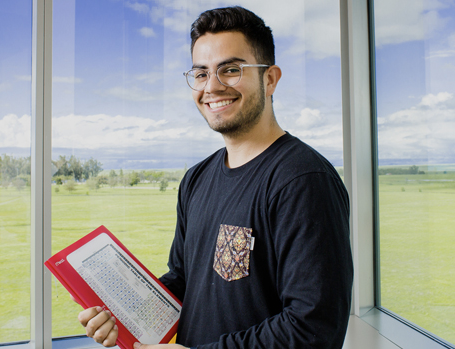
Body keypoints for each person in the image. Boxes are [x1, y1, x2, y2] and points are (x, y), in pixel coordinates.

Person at [78, 6, 353, 348]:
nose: (213, 86)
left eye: (231, 70)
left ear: (270, 79)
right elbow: (184, 281)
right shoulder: (196, 179)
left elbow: (313, 329)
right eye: (201, 73)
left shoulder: (304, 180)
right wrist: (123, 315)